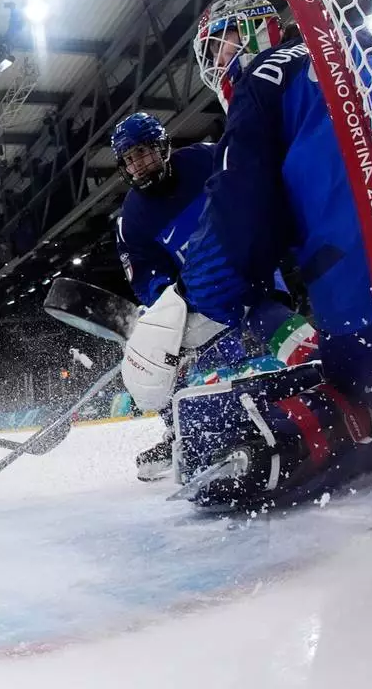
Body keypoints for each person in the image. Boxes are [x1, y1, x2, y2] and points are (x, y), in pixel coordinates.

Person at [121, 0, 372, 509]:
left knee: (353, 377)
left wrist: (199, 296)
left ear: (249, 35)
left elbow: (234, 228)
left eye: (218, 51)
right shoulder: (346, 46)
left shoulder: (257, 88)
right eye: (128, 158)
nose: (138, 164)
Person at [112, 111, 317, 481]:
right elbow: (146, 277)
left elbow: (249, 192)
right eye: (128, 159)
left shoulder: (206, 158)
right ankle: (183, 432)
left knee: (271, 331)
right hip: (205, 301)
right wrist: (172, 301)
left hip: (252, 270)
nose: (137, 165)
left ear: (162, 147)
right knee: (168, 355)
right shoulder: (131, 219)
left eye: (142, 153)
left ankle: (316, 383)